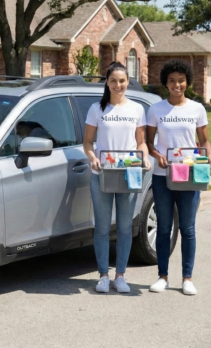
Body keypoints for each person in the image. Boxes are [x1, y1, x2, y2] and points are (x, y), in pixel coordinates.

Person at [145, 59, 211, 296]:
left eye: (181, 81)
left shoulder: (197, 109)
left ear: (187, 82)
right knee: (164, 228)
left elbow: (204, 141)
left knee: (187, 228)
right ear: (165, 82)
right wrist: (157, 155)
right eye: (172, 81)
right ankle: (162, 276)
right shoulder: (156, 110)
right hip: (162, 175)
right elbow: (148, 141)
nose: (177, 85)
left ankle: (187, 278)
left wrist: (210, 157)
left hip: (189, 174)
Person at [83, 61, 150, 293]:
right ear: (107, 82)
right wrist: (92, 157)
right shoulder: (96, 109)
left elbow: (140, 141)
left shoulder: (137, 109)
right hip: (101, 174)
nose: (118, 85)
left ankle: (120, 275)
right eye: (113, 81)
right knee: (102, 228)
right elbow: (87, 142)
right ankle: (103, 275)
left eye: (122, 81)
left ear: (128, 82)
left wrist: (146, 158)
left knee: (124, 227)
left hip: (129, 172)